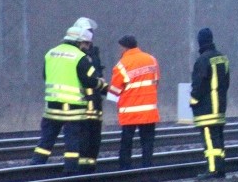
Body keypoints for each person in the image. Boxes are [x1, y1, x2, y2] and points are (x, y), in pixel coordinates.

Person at [30, 25, 99, 173]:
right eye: (86, 43)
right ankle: (70, 172)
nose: (87, 47)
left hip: (51, 107)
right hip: (73, 109)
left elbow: (45, 76)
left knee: (46, 141)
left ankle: (35, 168)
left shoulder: (51, 53)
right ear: (78, 42)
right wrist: (101, 84)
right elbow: (90, 81)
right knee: (72, 143)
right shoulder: (80, 57)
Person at [109, 35, 161, 170]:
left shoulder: (121, 65)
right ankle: (147, 167)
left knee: (126, 143)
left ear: (124, 47)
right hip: (148, 111)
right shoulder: (152, 60)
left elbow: (114, 91)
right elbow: (155, 82)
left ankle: (125, 168)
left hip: (129, 112)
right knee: (147, 142)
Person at [191, 27, 230, 179]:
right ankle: (220, 169)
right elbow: (226, 83)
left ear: (200, 42)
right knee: (218, 141)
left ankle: (213, 170)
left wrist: (193, 101)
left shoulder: (202, 60)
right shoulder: (222, 58)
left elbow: (198, 85)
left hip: (206, 110)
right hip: (220, 107)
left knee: (210, 142)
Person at [73, 17, 109, 173]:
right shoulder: (76, 55)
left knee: (94, 133)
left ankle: (90, 165)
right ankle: (82, 166)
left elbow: (97, 75)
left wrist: (105, 89)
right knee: (84, 133)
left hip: (94, 99)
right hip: (82, 100)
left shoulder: (93, 52)